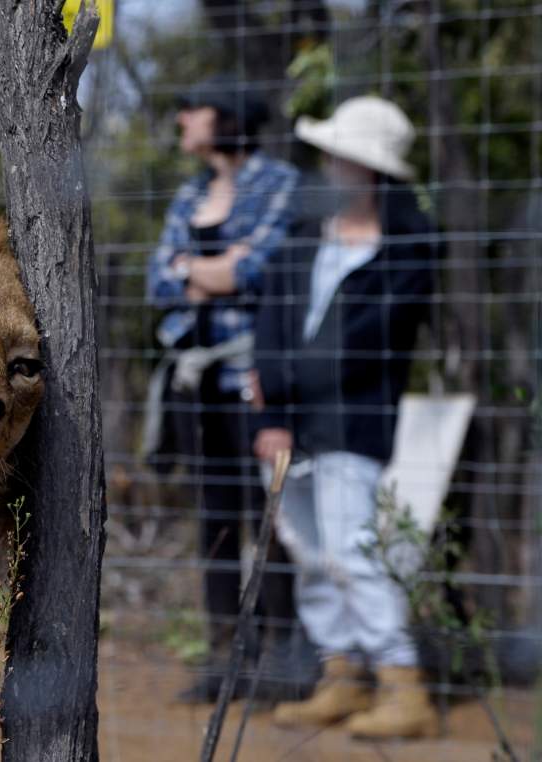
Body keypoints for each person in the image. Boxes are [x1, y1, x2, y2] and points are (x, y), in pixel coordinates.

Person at [251, 95, 440, 738]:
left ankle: (402, 682)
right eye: (330, 153)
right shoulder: (302, 239)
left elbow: (359, 347)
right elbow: (270, 325)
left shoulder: (411, 249)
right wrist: (272, 411)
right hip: (284, 424)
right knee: (307, 551)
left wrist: (274, 387)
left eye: (343, 156)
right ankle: (343, 676)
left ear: (372, 170)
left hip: (354, 423)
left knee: (353, 551)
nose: (330, 166)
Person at [146, 76, 302, 702]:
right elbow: (159, 280)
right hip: (195, 382)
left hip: (255, 383)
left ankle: (280, 658)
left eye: (194, 107)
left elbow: (260, 268)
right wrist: (206, 270)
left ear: (230, 116)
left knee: (271, 516)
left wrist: (197, 269)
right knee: (213, 517)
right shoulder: (188, 193)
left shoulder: (280, 183)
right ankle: (224, 658)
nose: (182, 117)